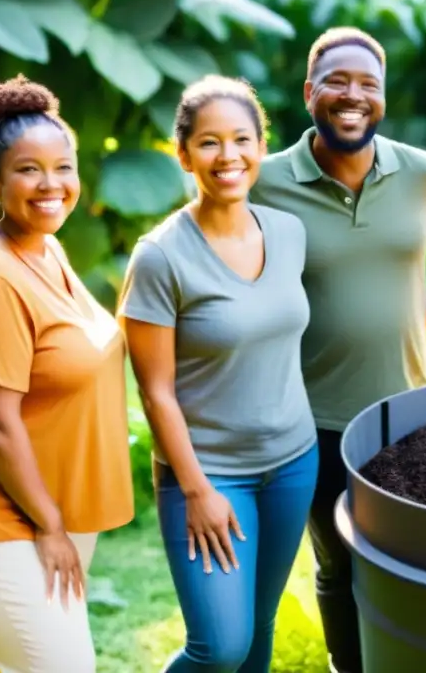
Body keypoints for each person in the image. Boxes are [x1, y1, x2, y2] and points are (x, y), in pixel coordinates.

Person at [249, 26, 426, 673]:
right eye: (338, 82)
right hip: (306, 419)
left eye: (368, 84)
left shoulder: (423, 175)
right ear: (309, 92)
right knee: (337, 562)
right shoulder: (263, 183)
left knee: (413, 563)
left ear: (383, 97)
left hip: (404, 414)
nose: (353, 95)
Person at [0, 76, 134, 672]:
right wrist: (50, 526)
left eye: (62, 168)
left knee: (5, 663)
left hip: (41, 501)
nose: (51, 186)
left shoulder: (43, 244)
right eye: (29, 170)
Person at [117, 75, 319, 672]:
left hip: (292, 461)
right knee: (219, 647)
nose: (227, 156)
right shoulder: (159, 257)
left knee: (259, 626)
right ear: (183, 154)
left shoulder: (289, 232)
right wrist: (199, 491)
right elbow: (155, 393)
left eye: (241, 140)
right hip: (206, 475)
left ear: (261, 146)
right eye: (208, 143)